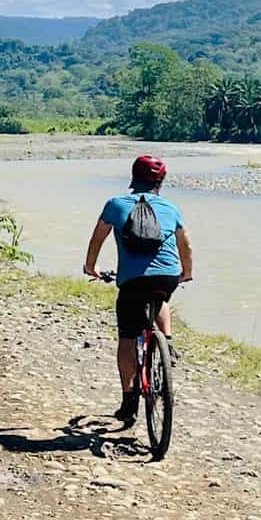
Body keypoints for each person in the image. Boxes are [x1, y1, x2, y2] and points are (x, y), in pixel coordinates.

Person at [82, 153, 193, 423]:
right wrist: (186, 274)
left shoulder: (115, 204)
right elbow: (185, 246)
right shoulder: (171, 207)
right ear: (161, 181)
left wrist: (90, 267)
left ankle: (129, 400)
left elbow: (97, 239)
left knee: (128, 338)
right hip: (166, 277)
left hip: (132, 281)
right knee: (161, 298)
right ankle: (166, 342)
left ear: (133, 177)